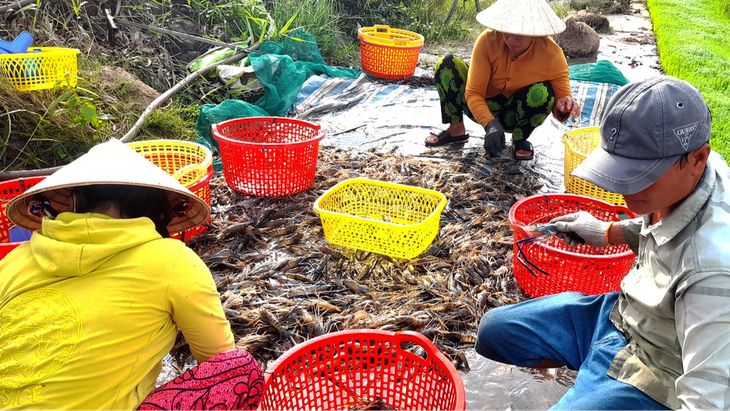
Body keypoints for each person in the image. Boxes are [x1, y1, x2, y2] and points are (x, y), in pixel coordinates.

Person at [475, 75, 730, 410]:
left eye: (639, 175)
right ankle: (591, 379)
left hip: (660, 365)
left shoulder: (712, 269)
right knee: (495, 331)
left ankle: (601, 391)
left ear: (697, 159)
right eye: (618, 170)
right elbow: (661, 226)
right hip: (623, 313)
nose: (623, 190)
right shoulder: (696, 171)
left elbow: (707, 398)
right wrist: (605, 232)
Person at [0, 139, 263, 410]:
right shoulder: (172, 259)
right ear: (158, 209)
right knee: (238, 370)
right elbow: (218, 361)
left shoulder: (16, 258)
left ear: (74, 201)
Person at [426, 0, 581, 161]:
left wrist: (564, 105)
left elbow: (562, 102)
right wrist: (490, 124)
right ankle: (456, 127)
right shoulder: (487, 41)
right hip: (480, 107)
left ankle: (519, 138)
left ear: (535, 32)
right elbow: (473, 93)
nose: (511, 38)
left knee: (544, 92)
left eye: (520, 33)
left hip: (514, 114)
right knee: (446, 64)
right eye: (507, 30)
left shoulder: (553, 56)